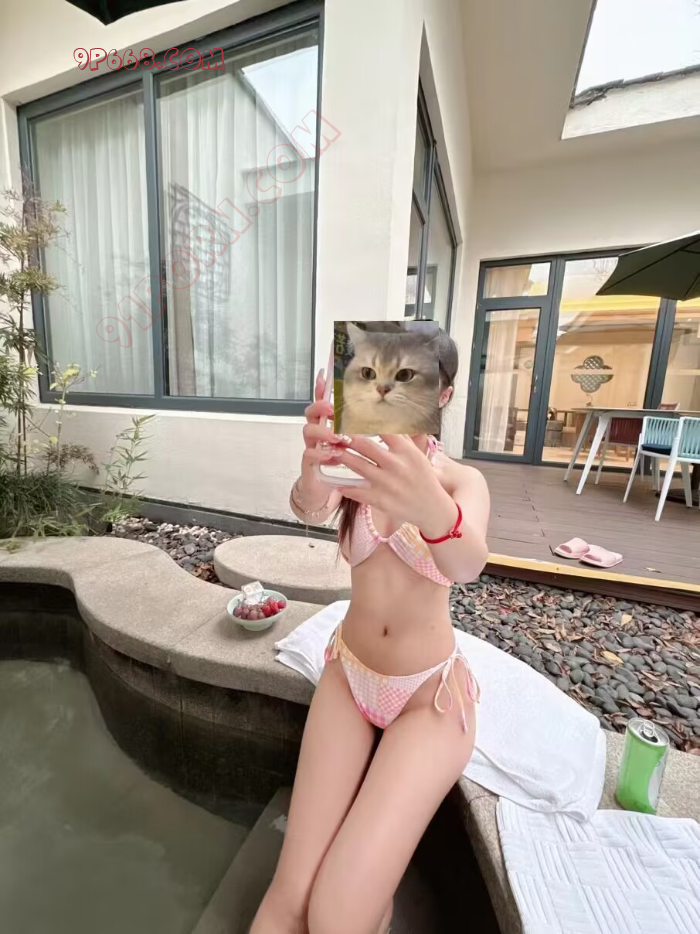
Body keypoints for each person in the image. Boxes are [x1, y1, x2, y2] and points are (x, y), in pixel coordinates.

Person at [250, 330, 490, 934]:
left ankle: (370, 902)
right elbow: (308, 508)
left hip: (428, 697)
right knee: (289, 899)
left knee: (334, 914)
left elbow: (468, 564)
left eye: (411, 377)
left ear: (444, 394)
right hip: (350, 674)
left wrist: (432, 509)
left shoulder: (461, 483)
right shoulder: (355, 463)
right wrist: (313, 467)